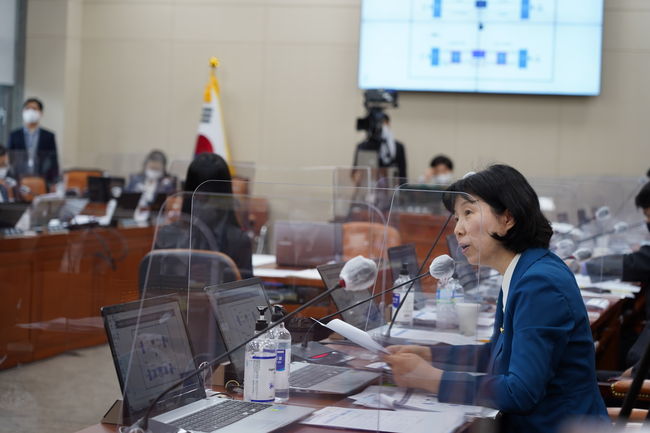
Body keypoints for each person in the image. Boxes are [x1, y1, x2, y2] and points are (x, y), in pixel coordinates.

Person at [383, 164, 607, 433]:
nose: (458, 229)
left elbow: (521, 392)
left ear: (507, 219)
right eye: (456, 218)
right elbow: (497, 353)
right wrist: (430, 354)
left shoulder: (539, 283)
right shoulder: (523, 270)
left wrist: (432, 379)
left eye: (468, 213)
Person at [155, 152, 253, 279]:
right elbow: (154, 284)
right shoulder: (168, 235)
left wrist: (216, 274)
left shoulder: (237, 241)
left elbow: (245, 287)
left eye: (209, 195)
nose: (202, 201)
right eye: (197, 194)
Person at [7, 98, 60, 186]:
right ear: (23, 112)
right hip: (18, 180)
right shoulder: (14, 135)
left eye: (34, 109)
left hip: (42, 180)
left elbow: (53, 160)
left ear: (41, 113)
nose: (30, 111)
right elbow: (9, 159)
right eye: (27, 108)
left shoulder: (49, 136)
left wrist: (53, 181)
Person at [352, 114, 407, 179]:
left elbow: (403, 177)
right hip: (368, 183)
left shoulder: (398, 147)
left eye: (382, 123)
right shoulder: (362, 147)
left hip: (390, 184)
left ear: (388, 124)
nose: (379, 127)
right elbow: (354, 174)